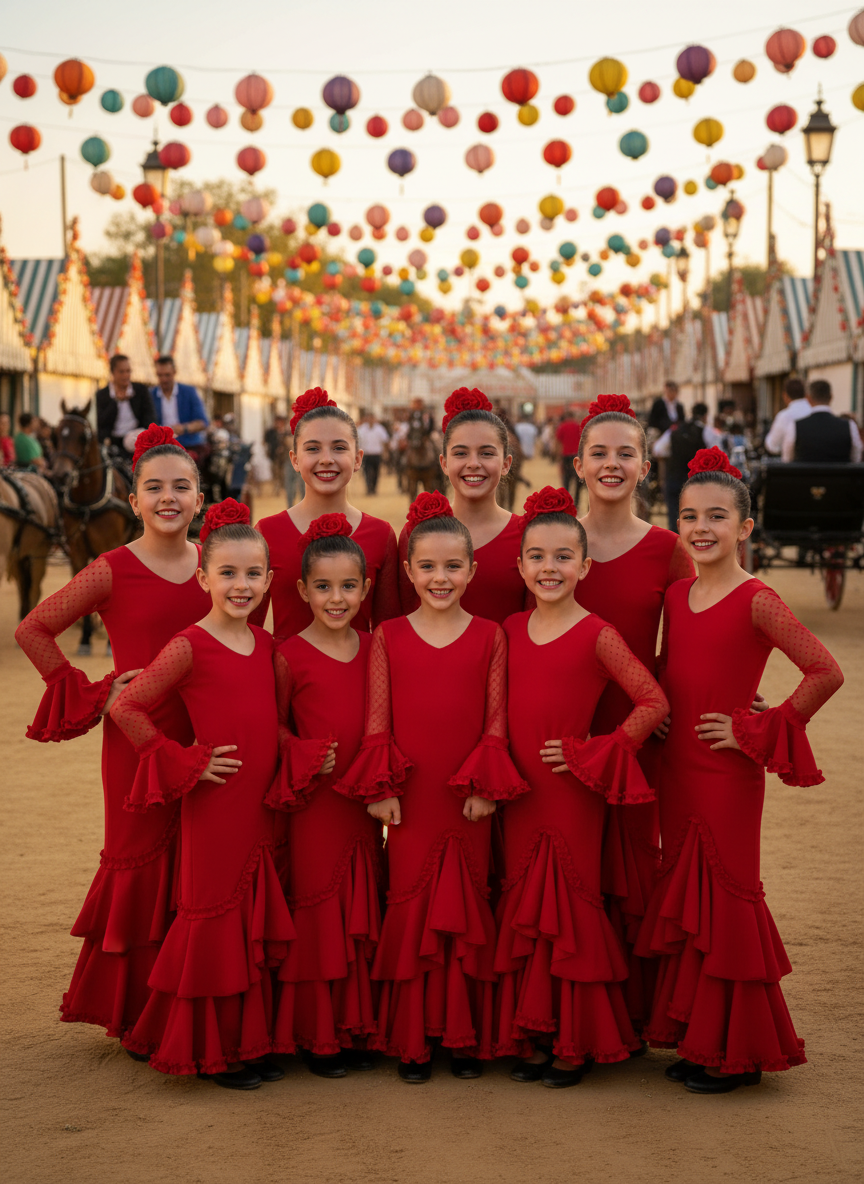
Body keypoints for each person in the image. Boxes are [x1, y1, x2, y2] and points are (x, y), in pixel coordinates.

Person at [637, 447, 844, 1093]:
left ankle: (741, 1053)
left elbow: (825, 671)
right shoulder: (676, 592)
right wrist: (662, 707)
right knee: (688, 898)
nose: (701, 528)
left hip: (728, 776)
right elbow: (679, 665)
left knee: (727, 900)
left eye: (717, 517)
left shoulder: (759, 598)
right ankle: (701, 1039)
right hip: (677, 768)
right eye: (690, 516)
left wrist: (757, 726)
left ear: (745, 528)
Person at [14, 425, 211, 1047]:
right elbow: (34, 629)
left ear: (200, 497)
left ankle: (191, 1004)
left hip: (209, 739)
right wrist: (99, 693)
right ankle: (133, 1011)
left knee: (201, 866)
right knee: (142, 863)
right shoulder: (112, 569)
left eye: (182, 486)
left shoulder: (219, 563)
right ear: (134, 500)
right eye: (154, 488)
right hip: (136, 740)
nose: (169, 498)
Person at [336, 494, 527, 1082]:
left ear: (472, 571)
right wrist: (382, 787)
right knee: (412, 906)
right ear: (409, 571)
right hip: (412, 795)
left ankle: (465, 1039)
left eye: (452, 567)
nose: (439, 578)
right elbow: (377, 719)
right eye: (427, 567)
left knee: (469, 909)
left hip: (468, 796)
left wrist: (485, 785)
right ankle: (415, 1040)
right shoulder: (389, 635)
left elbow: (497, 719)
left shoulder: (492, 635)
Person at [110, 500, 294, 1090]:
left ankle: (248, 1038)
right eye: (228, 574)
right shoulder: (189, 644)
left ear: (269, 581)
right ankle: (212, 1050)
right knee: (213, 916)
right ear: (203, 578)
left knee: (252, 918)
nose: (241, 586)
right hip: (214, 808)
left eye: (252, 575)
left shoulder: (268, 648)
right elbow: (128, 707)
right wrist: (186, 761)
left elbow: (277, 721)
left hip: (261, 807)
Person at [493, 488, 668, 1087]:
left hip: (574, 795)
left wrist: (595, 752)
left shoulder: (599, 633)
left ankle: (576, 1040)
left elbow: (652, 701)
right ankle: (534, 1034)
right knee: (524, 907)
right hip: (518, 794)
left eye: (564, 557)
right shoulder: (509, 630)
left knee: (569, 904)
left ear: (585, 566)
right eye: (537, 557)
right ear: (520, 567)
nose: (550, 568)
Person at [573, 394, 694, 1030]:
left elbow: (691, 640)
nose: (612, 464)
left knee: (632, 866)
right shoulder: (557, 544)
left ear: (646, 467)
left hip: (636, 733)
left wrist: (721, 696)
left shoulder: (670, 548)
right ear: (580, 464)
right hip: (564, 732)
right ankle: (579, 1014)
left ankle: (636, 1015)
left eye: (626, 453)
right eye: (600, 453)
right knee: (572, 869)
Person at [268, 516, 384, 1077]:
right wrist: (306, 754)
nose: (335, 598)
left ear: (366, 590)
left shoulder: (377, 647)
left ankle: (356, 1025)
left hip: (363, 808)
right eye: (322, 586)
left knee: (361, 911)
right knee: (318, 910)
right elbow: (273, 728)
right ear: (301, 590)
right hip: (315, 805)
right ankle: (317, 1035)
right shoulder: (288, 654)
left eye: (347, 587)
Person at [251, 388, 400, 643]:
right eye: (313, 449)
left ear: (357, 459)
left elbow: (389, 632)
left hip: (359, 677)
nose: (327, 459)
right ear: (295, 460)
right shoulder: (267, 532)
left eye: (339, 448)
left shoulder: (381, 534)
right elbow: (247, 629)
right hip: (287, 678)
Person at [397, 389, 529, 623]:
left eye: (487, 453)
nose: (474, 464)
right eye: (461, 453)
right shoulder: (416, 533)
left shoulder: (527, 536)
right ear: (444, 463)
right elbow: (403, 622)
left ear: (507, 463)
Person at [652, 402, 722, 532]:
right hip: (697, 483)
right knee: (696, 523)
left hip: (674, 479)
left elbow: (657, 449)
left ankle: (676, 548)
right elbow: (720, 454)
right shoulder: (707, 432)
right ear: (706, 416)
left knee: (675, 522)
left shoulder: (675, 430)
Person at [781, 379, 862, 462]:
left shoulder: (795, 426)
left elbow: (787, 459)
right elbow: (856, 458)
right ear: (831, 397)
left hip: (806, 475)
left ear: (808, 398)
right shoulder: (849, 426)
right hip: (838, 475)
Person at [96, 355, 157, 457]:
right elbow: (101, 422)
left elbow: (150, 416)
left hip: (137, 438)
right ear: (113, 372)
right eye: (121, 372)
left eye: (128, 371)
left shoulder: (140, 390)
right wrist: (116, 402)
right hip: (113, 442)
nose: (125, 375)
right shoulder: (102, 395)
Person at [150, 355, 209, 457]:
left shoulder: (189, 392)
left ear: (174, 372)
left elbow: (203, 422)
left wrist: (183, 428)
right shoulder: (151, 394)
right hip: (160, 447)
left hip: (188, 444)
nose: (164, 379)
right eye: (160, 375)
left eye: (167, 375)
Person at [764, 378, 810, 456]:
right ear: (805, 394)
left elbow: (772, 445)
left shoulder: (784, 416)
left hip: (793, 463)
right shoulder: (813, 411)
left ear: (785, 395)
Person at [357, 409, 390, 495]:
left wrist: (385, 452)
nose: (370, 420)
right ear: (366, 418)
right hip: (366, 454)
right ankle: (369, 488)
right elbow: (357, 441)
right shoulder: (361, 429)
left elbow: (385, 440)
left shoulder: (380, 429)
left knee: (376, 472)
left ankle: (374, 488)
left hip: (376, 454)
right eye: (369, 418)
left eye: (372, 418)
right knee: (367, 472)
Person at [555, 411, 582, 497]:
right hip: (577, 456)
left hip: (565, 456)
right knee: (578, 481)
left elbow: (558, 443)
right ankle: (577, 502)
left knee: (566, 479)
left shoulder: (562, 426)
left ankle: (567, 500)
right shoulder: (579, 426)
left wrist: (557, 457)